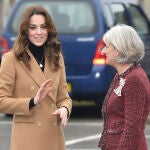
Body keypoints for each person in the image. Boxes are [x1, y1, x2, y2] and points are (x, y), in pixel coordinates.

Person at [0, 5, 72, 150]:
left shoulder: (57, 57)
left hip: (54, 138)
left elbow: (64, 97)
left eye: (43, 27)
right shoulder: (11, 59)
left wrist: (65, 108)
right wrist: (33, 101)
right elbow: (2, 101)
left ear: (49, 29)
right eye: (33, 27)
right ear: (25, 30)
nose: (38, 32)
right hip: (27, 140)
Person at [98, 24, 150, 150]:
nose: (103, 51)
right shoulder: (123, 75)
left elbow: (132, 129)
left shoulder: (134, 79)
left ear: (118, 50)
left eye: (107, 47)